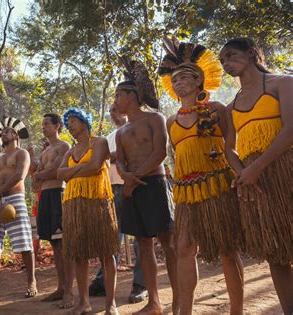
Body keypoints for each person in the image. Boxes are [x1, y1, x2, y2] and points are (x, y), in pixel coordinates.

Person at [159, 37, 245, 314]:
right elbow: (173, 155)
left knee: (227, 248)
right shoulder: (171, 121)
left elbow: (231, 146)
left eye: (184, 77)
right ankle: (185, 310)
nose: (178, 82)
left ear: (199, 81)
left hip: (217, 185)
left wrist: (240, 177)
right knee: (183, 248)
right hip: (186, 191)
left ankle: (237, 310)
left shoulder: (216, 109)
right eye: (174, 79)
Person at [220, 37, 292, 314]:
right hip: (255, 183)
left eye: (231, 55)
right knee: (277, 252)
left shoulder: (282, 83)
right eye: (222, 60)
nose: (226, 62)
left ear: (251, 53)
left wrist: (256, 167)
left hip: (285, 170)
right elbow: (229, 150)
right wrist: (242, 174)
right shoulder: (231, 107)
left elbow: (291, 129)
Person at [115, 58, 178, 314]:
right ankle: (154, 301)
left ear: (132, 95)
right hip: (133, 188)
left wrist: (136, 176)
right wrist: (126, 177)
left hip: (154, 183)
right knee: (143, 243)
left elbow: (160, 151)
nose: (116, 100)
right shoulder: (121, 131)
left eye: (119, 94)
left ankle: (178, 301)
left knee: (168, 242)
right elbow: (119, 160)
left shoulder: (155, 119)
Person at [57, 108, 119, 315]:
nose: (70, 125)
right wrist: (76, 171)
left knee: (106, 251)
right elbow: (59, 173)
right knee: (79, 253)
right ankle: (84, 302)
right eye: (68, 123)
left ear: (84, 122)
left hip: (97, 202)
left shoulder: (99, 142)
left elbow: (94, 167)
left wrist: (72, 172)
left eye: (73, 121)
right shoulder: (70, 151)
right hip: (74, 205)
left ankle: (111, 304)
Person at [89, 104, 148, 304]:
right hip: (112, 189)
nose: (113, 114)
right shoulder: (109, 137)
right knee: (111, 237)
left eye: (116, 110)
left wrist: (116, 157)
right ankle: (102, 281)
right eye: (111, 111)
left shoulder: (137, 128)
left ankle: (141, 284)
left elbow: (136, 156)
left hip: (135, 186)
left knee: (140, 238)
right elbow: (102, 161)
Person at [0, 116, 37, 298]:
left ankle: (31, 282)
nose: (5, 133)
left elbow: (20, 175)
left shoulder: (22, 153)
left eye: (9, 131)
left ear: (15, 135)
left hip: (15, 199)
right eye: (3, 131)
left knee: (24, 243)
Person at [32, 113, 74, 308]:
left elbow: (54, 172)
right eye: (43, 124)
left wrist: (41, 174)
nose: (43, 127)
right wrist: (41, 174)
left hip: (59, 194)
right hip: (45, 197)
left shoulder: (64, 146)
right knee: (54, 245)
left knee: (63, 243)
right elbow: (35, 181)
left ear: (58, 126)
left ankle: (70, 292)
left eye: (47, 124)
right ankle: (60, 287)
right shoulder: (46, 151)